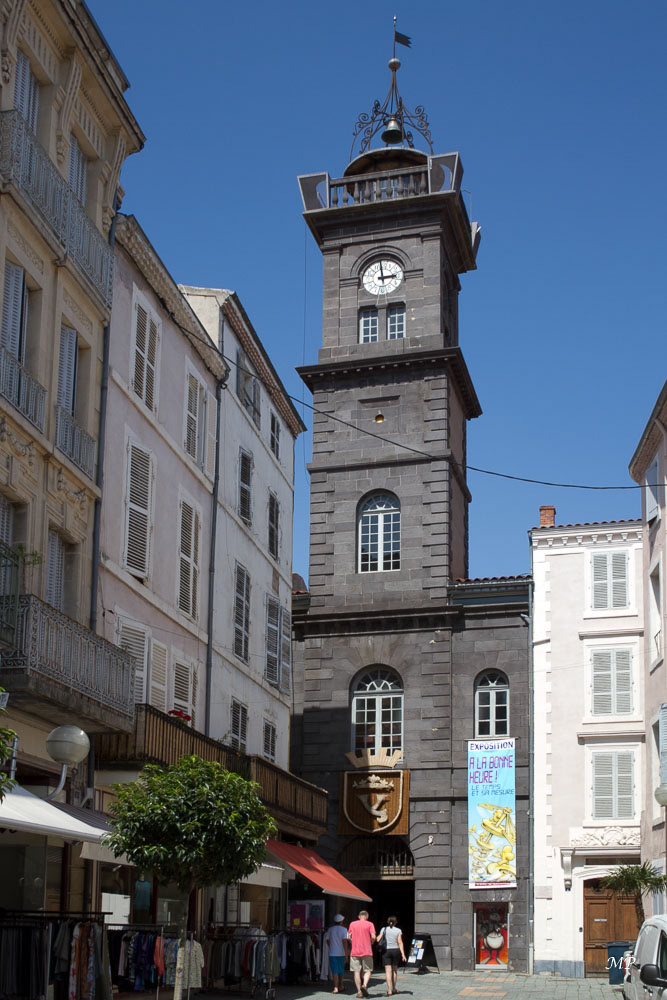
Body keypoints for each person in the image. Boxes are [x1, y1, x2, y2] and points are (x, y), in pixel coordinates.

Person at [348, 909, 376, 998]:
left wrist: (353, 942)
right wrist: (371, 942)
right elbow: (373, 936)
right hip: (367, 950)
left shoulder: (352, 924)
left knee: (356, 971)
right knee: (368, 970)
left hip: (355, 951)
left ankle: (359, 991)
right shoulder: (370, 924)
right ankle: (364, 985)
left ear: (359, 916)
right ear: (367, 917)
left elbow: (348, 937)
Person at [376, 916, 406, 996]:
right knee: (394, 970)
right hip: (395, 950)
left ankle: (389, 990)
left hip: (386, 951)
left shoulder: (384, 929)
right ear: (396, 922)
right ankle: (394, 988)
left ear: (388, 921)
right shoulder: (398, 930)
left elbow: (378, 939)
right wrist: (403, 954)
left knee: (387, 971)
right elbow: (400, 942)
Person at [325, 913, 349, 993]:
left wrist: (331, 946)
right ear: (341, 921)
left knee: (334, 971)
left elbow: (327, 940)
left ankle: (335, 987)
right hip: (341, 953)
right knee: (341, 970)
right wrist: (346, 954)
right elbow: (345, 942)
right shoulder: (344, 930)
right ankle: (341, 985)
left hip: (332, 953)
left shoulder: (330, 929)